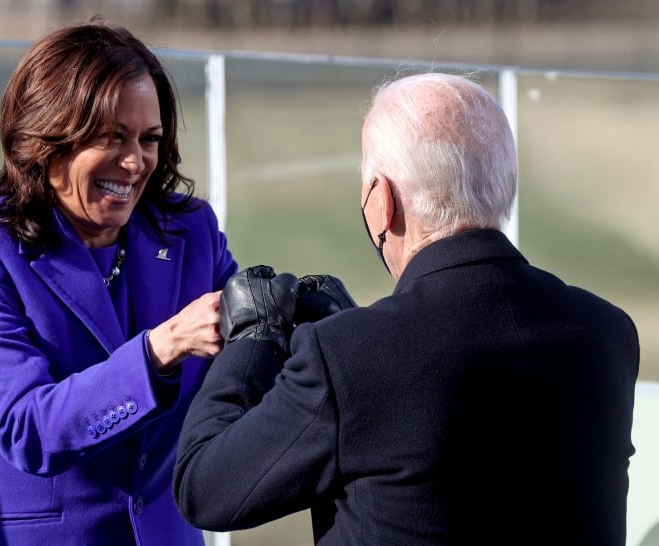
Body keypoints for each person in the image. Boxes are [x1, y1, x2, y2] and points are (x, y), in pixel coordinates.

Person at [173, 73, 640, 545]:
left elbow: (205, 489)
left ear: (382, 201)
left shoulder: (348, 358)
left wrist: (253, 340)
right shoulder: (606, 333)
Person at [0, 18, 237, 546]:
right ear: (46, 138)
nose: (135, 162)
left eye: (149, 139)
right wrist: (159, 351)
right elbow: (26, 430)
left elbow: (243, 371)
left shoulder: (190, 232)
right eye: (111, 137)